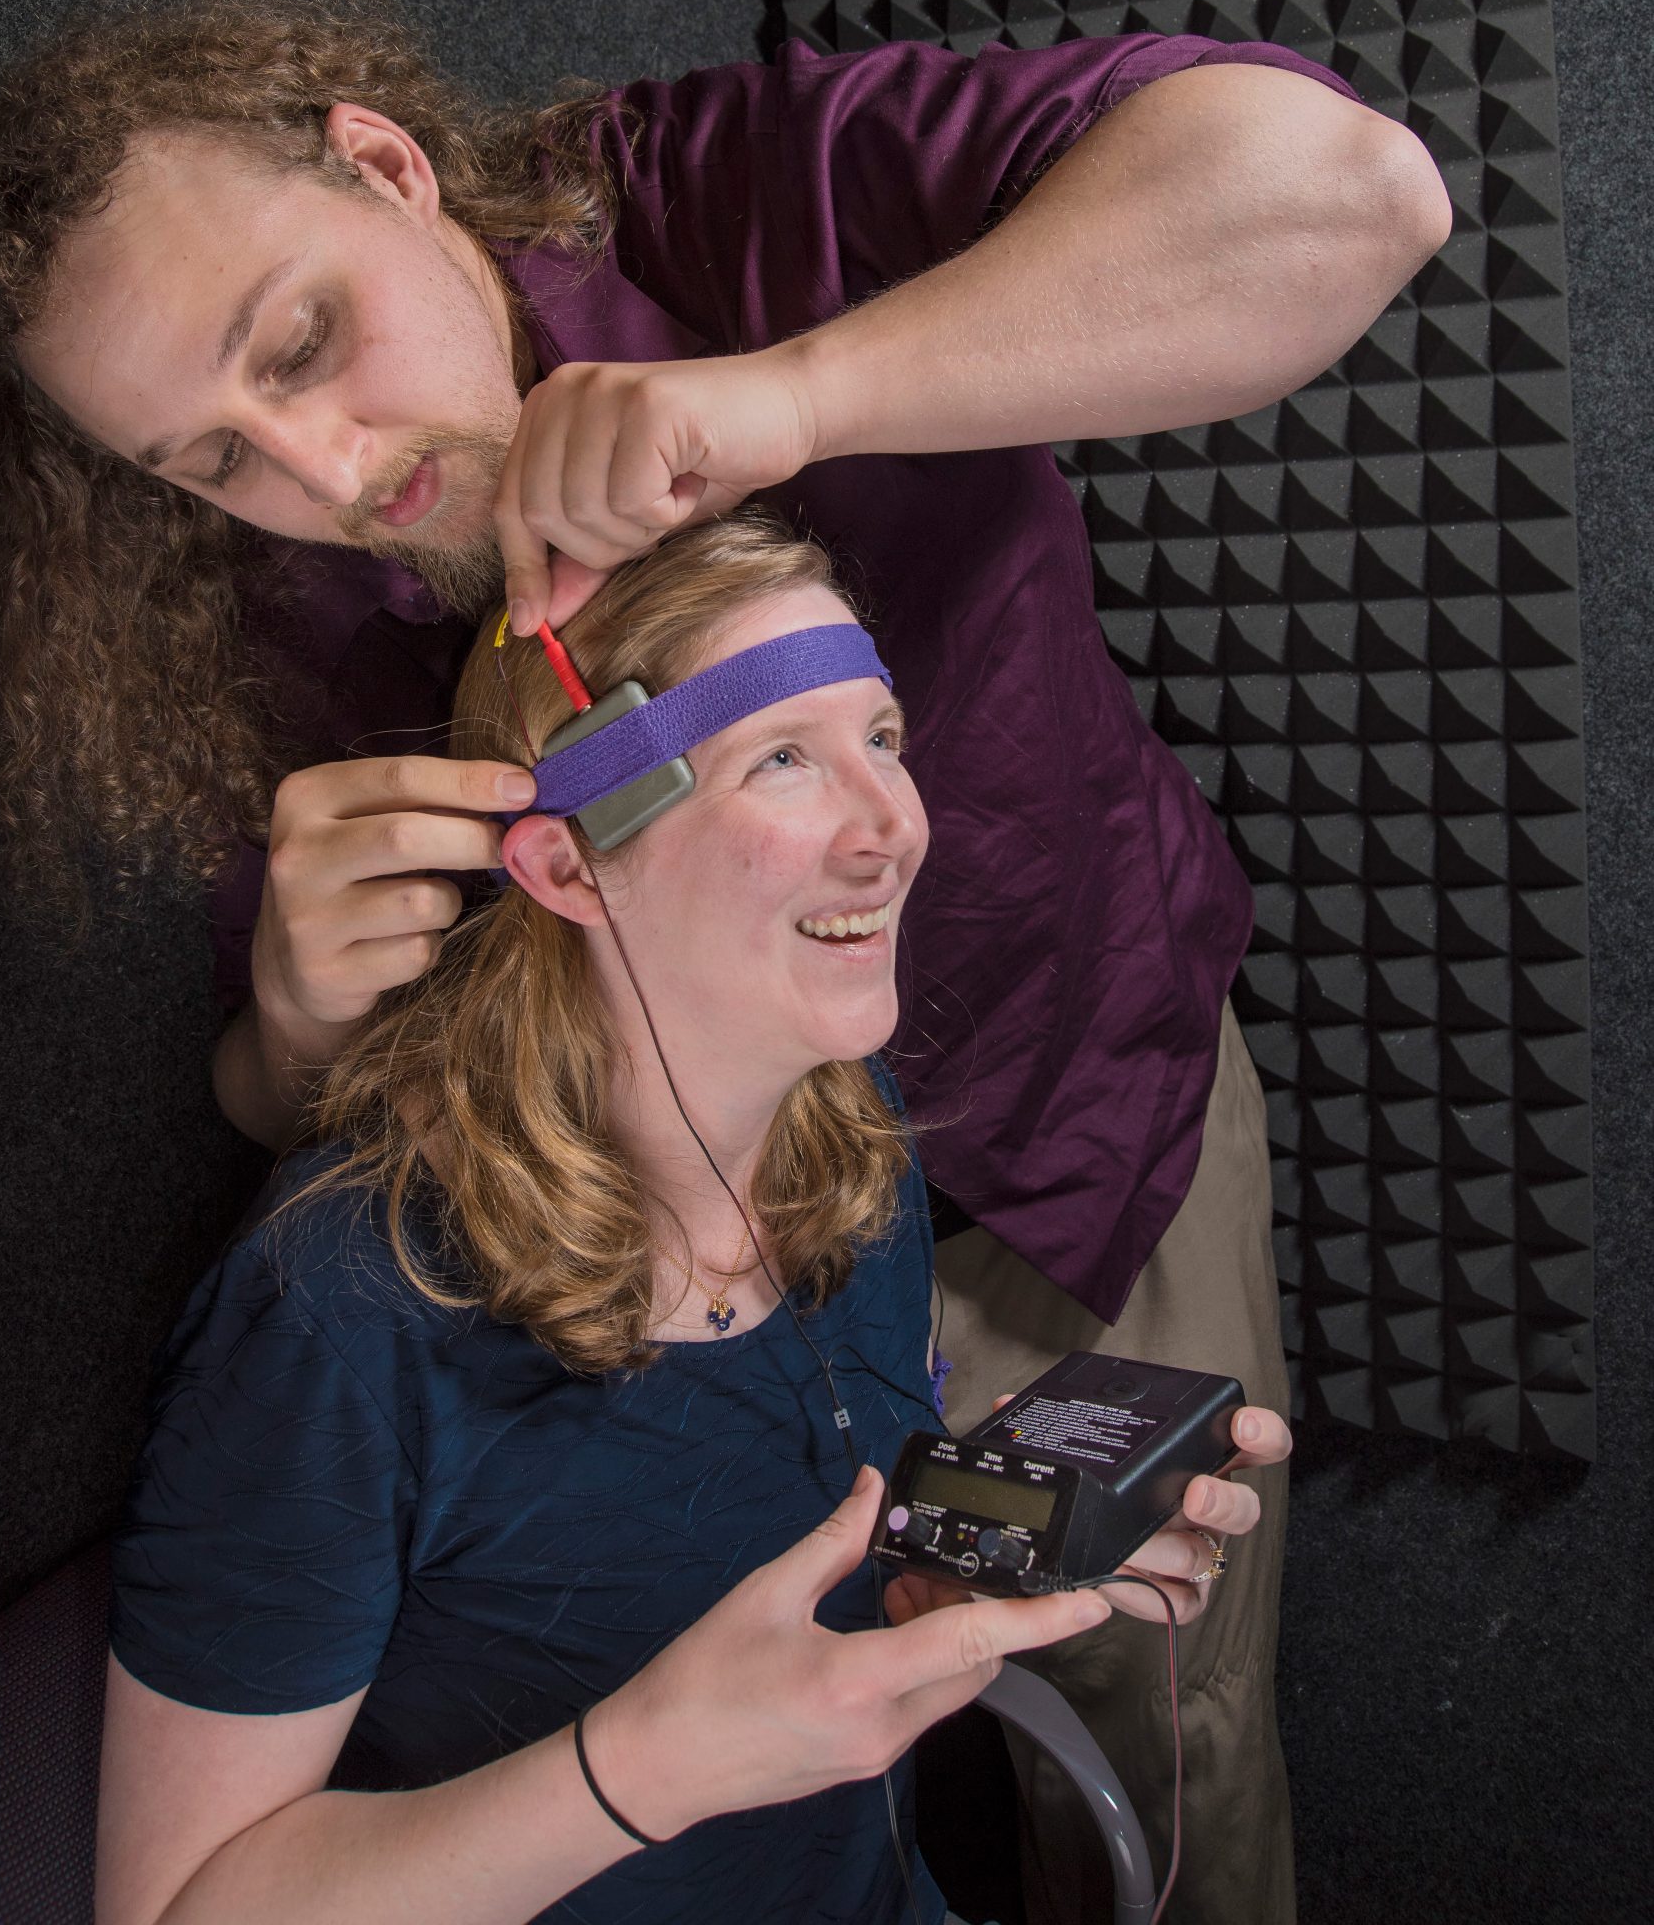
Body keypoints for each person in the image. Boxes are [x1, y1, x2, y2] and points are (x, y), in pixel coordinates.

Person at [0, 0, 1449, 1922]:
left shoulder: (713, 198)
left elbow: (1353, 193)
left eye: (309, 341)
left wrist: (799, 391)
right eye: (213, 458)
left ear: (392, 166)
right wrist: (286, 1027)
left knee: (1161, 1729)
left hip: (1059, 1122)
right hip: (650, 1294)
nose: (326, 478)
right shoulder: (339, 1314)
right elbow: (312, 1097)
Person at [95, 513, 1291, 1925]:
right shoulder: (343, 1311)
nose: (890, 826)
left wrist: (1013, 1547)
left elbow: (765, 1570)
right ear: (565, 867)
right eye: (782, 759)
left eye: (883, 740)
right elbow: (179, 1909)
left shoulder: (847, 1153)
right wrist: (640, 1769)